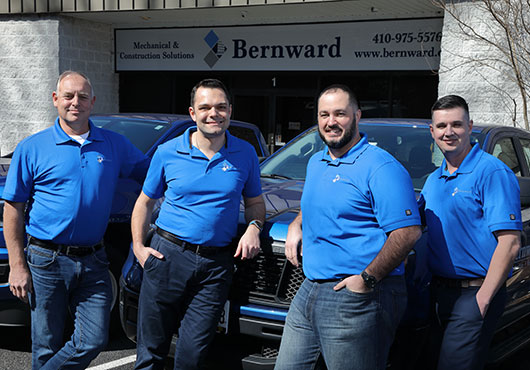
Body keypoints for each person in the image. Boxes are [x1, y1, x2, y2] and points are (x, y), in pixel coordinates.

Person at [3, 70, 149, 369]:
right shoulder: (32, 147)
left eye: (83, 96)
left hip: (95, 259)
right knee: (46, 343)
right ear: (56, 100)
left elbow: (153, 172)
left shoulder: (114, 145)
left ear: (92, 101)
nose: (75, 103)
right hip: (46, 260)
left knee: (93, 340)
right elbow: (13, 208)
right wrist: (18, 265)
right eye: (68, 96)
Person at [275, 84, 422, 370]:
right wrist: (297, 222)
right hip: (308, 289)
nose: (331, 122)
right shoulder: (316, 161)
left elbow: (408, 232)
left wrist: (367, 279)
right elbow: (320, 202)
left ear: (357, 115)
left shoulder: (381, 167)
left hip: (357, 297)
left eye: (340, 114)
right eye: (324, 115)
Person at [131, 78, 266, 370]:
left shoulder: (245, 154)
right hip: (167, 257)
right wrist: (139, 247)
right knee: (151, 352)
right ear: (192, 113)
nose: (213, 113)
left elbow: (255, 202)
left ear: (230, 110)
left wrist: (254, 227)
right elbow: (144, 202)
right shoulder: (167, 152)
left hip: (215, 266)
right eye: (204, 107)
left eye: (220, 107)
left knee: (193, 355)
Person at [421, 95, 522, 370]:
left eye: (457, 124)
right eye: (441, 126)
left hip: (474, 292)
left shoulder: (491, 172)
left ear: (470, 127)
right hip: (439, 293)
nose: (448, 132)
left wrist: (483, 299)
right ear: (432, 132)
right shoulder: (433, 180)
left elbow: (510, 243)